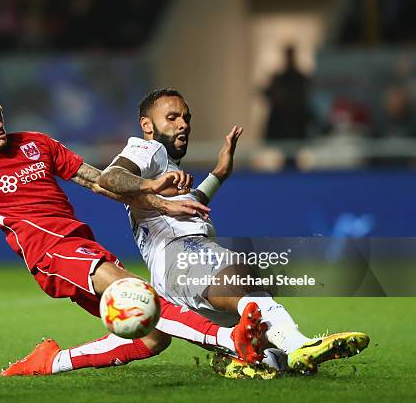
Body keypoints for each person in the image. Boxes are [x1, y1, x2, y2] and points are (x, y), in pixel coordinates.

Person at [0, 79, 269, 378]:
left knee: (152, 337)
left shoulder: (36, 144)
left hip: (79, 244)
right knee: (138, 294)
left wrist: (159, 199)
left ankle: (50, 362)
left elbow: (99, 182)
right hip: (50, 254)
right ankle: (230, 341)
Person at [95, 88, 369, 374]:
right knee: (244, 277)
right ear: (147, 125)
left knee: (257, 335)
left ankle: (259, 360)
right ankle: (299, 344)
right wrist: (153, 186)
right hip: (182, 252)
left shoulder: (164, 166)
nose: (183, 124)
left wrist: (219, 174)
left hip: (172, 273)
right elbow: (110, 177)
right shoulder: (148, 149)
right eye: (172, 117)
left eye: (186, 118)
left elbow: (188, 207)